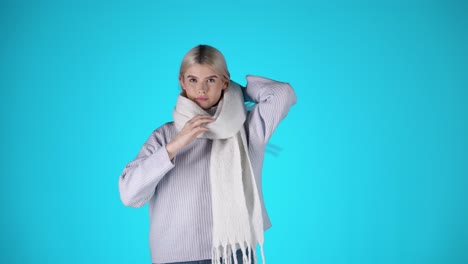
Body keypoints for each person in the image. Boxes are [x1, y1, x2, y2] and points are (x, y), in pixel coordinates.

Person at [118, 44, 297, 264]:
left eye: (210, 80)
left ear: (224, 81)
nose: (201, 89)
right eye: (193, 80)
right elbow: (130, 194)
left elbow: (281, 93)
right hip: (174, 256)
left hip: (235, 253)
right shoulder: (165, 136)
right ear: (182, 82)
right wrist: (174, 146)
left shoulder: (249, 130)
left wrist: (234, 92)